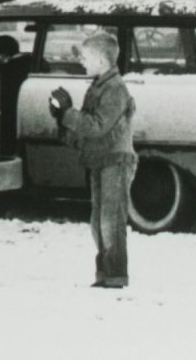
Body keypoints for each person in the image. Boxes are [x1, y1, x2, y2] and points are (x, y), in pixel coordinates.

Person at [49, 32, 136, 289]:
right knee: (99, 221)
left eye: (85, 58)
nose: (82, 62)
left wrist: (67, 114)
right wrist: (62, 120)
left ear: (100, 59)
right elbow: (88, 131)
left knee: (111, 220)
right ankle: (105, 274)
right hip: (100, 160)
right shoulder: (99, 86)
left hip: (116, 162)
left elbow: (97, 126)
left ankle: (116, 275)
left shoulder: (115, 90)